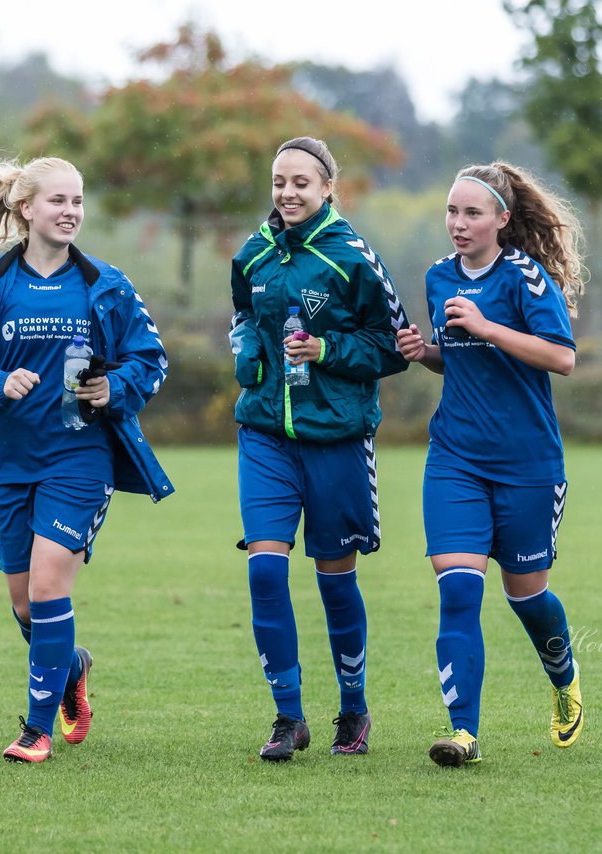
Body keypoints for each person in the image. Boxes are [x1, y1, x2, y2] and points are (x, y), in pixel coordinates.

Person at [0, 154, 173, 763]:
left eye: (78, 202)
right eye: (58, 201)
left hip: (79, 459)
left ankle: (36, 730)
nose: (70, 212)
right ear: (26, 208)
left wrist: (114, 387)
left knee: (48, 581)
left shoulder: (105, 285)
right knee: (24, 602)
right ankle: (71, 667)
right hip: (7, 463)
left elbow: (151, 359)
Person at [397, 162, 587, 767]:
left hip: (528, 464)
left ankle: (564, 679)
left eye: (472, 213)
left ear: (503, 220)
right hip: (455, 458)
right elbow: (460, 359)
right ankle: (463, 733)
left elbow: (561, 358)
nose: (458, 223)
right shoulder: (435, 278)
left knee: (527, 595)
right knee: (457, 592)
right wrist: (424, 352)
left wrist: (487, 325)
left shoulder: (526, 279)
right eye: (451, 212)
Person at [230, 136, 410, 761]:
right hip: (264, 435)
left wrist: (327, 351)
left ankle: (354, 710)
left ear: (328, 186)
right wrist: (249, 351)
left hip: (336, 439)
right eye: (279, 181)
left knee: (335, 582)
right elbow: (243, 317)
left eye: (301, 182)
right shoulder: (253, 253)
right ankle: (288, 717)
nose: (287, 193)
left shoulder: (353, 258)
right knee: (264, 569)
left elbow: (394, 347)